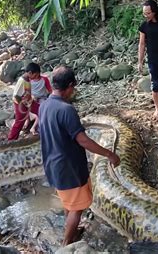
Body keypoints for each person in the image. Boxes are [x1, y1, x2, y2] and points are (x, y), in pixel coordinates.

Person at [39, 66, 120, 246]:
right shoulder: (66, 109)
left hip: (52, 165)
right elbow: (83, 140)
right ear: (70, 86)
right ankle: (67, 244)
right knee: (78, 208)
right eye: (73, 88)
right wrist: (110, 154)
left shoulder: (44, 105)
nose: (73, 92)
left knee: (70, 203)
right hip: (69, 169)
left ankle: (72, 232)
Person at [7, 62, 41, 140]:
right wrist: (23, 105)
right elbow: (16, 95)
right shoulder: (22, 81)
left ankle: (43, 129)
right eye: (35, 75)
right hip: (20, 104)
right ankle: (11, 139)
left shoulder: (28, 79)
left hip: (29, 102)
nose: (35, 78)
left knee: (41, 110)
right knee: (19, 122)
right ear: (30, 73)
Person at [22, 70, 52, 135]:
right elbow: (26, 92)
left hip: (42, 98)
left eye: (36, 75)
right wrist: (31, 97)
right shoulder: (28, 81)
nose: (34, 77)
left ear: (38, 73)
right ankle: (28, 120)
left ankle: (33, 126)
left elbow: (50, 90)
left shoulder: (44, 79)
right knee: (25, 107)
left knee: (41, 112)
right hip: (31, 99)